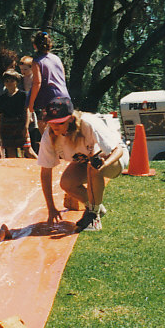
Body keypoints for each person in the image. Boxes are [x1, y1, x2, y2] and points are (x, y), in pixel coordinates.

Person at [38, 97, 129, 232]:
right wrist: (51, 207)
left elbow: (118, 150)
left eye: (60, 122)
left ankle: (94, 216)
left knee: (94, 167)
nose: (55, 126)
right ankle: (96, 207)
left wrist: (104, 164)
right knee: (67, 183)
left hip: (113, 158)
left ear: (70, 119)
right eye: (51, 122)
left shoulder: (89, 124)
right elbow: (45, 172)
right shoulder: (49, 135)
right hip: (86, 161)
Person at [27, 31, 70, 135]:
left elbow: (37, 83)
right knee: (64, 130)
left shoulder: (37, 61)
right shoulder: (57, 58)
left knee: (46, 129)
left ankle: (48, 147)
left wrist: (31, 104)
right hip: (64, 96)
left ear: (34, 46)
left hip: (51, 98)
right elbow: (62, 78)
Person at [0, 48, 19, 158]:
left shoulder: (15, 80)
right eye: (12, 67)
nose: (14, 69)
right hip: (0, 118)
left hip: (14, 118)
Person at [0, 69, 28, 158]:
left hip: (20, 125)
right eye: (7, 81)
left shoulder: (23, 95)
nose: (9, 83)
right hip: (7, 126)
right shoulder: (2, 98)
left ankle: (40, 167)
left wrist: (26, 127)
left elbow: (27, 111)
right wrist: (0, 129)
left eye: (12, 81)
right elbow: (1, 115)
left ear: (17, 82)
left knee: (28, 150)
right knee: (10, 150)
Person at [19, 55, 39, 158]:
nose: (23, 72)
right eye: (21, 69)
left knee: (34, 133)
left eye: (25, 69)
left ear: (32, 68)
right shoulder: (20, 80)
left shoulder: (35, 79)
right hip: (24, 108)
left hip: (34, 106)